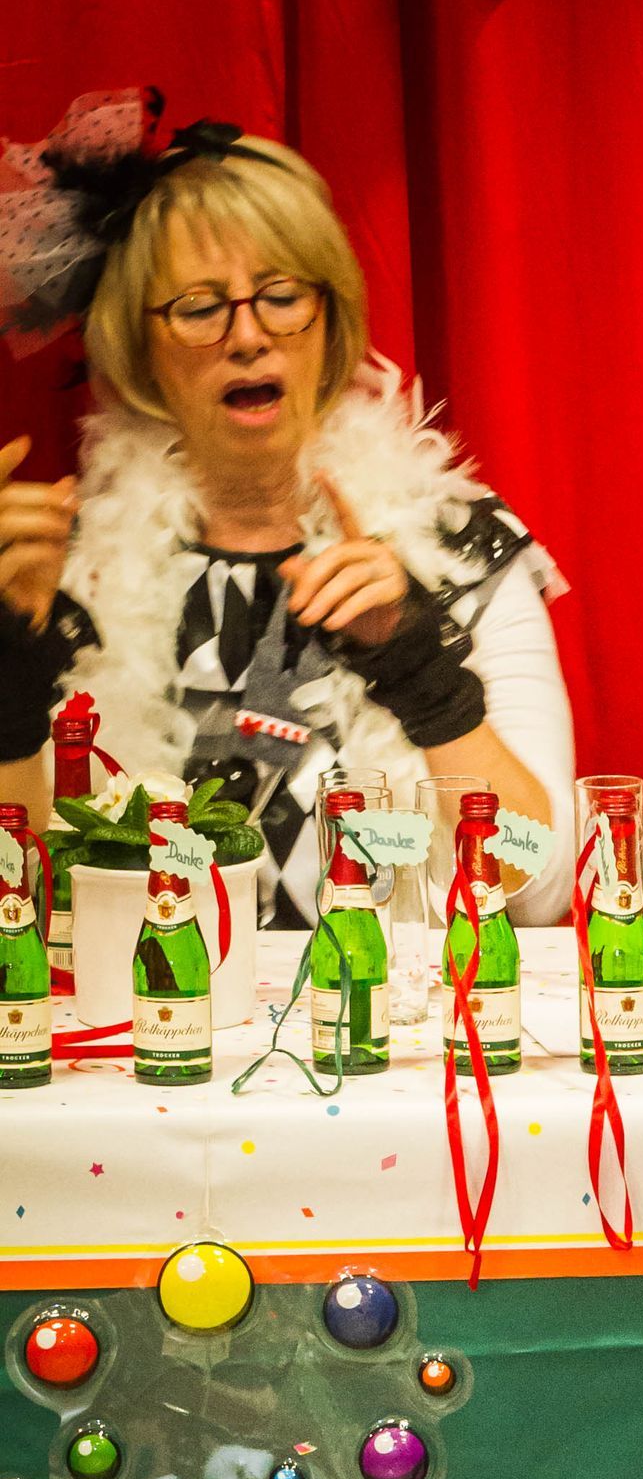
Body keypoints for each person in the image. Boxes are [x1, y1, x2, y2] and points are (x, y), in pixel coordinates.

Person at [0, 89, 572, 926]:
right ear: (140, 349)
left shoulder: (457, 549)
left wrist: (423, 672)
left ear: (329, 317)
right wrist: (11, 694)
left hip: (392, 1006)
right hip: (155, 1003)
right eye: (199, 308)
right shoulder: (66, 575)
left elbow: (540, 884)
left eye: (281, 294)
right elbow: (26, 900)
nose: (247, 336)